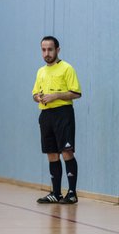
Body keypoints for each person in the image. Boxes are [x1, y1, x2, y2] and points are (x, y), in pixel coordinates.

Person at [32, 36, 81, 204]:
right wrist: (37, 97)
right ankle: (56, 192)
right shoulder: (40, 71)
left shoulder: (67, 68)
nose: (47, 53)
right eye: (43, 50)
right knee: (51, 153)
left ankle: (72, 193)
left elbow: (76, 93)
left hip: (63, 113)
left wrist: (56, 95)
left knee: (67, 151)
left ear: (57, 50)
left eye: (50, 49)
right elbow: (34, 94)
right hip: (46, 115)